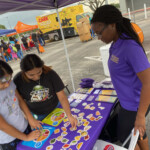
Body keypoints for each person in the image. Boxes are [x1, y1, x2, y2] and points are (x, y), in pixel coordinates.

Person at [91, 5, 150, 150]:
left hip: (134, 105)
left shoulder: (130, 47)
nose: (99, 38)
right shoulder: (116, 44)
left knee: (126, 138)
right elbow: (122, 73)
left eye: (99, 33)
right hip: (126, 101)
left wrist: (141, 116)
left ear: (112, 25)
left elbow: (148, 82)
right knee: (137, 133)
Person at [14, 54, 77, 128]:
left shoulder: (50, 73)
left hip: (56, 107)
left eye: (39, 72)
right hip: (36, 114)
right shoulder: (18, 80)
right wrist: (30, 118)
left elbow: (62, 96)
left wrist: (69, 115)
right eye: (31, 75)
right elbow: (20, 101)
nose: (36, 77)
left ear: (42, 66)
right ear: (24, 72)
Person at [0, 60, 42, 150]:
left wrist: (30, 118)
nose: (7, 84)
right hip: (9, 138)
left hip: (24, 127)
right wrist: (26, 137)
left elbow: (20, 100)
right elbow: (3, 126)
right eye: (3, 82)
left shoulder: (10, 83)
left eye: (9, 78)